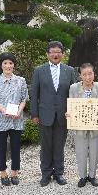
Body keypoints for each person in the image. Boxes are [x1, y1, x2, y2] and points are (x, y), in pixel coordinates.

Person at [31, 41, 76, 187]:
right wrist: (34, 114)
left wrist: (73, 113)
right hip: (45, 114)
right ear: (47, 54)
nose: (55, 54)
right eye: (52, 52)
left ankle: (58, 173)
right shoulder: (39, 70)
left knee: (59, 146)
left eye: (58, 52)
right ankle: (46, 174)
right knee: (46, 146)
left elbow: (73, 94)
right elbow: (34, 94)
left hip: (63, 115)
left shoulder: (69, 71)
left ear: (62, 54)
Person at [0, 52, 29, 186]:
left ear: (14, 65)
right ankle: (3, 173)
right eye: (5, 63)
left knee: (16, 147)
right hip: (0, 120)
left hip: (16, 120)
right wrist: (2, 110)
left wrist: (19, 111)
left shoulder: (21, 81)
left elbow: (24, 99)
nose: (8, 65)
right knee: (1, 147)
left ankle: (15, 172)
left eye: (10, 63)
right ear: (1, 65)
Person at [66, 63, 98, 188]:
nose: (88, 77)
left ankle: (92, 176)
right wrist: (69, 113)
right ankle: (82, 176)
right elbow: (71, 105)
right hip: (79, 126)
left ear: (94, 74)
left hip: (96, 126)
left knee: (95, 151)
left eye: (90, 74)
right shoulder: (73, 88)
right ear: (80, 76)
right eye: (84, 74)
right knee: (81, 151)